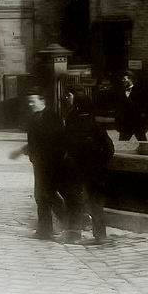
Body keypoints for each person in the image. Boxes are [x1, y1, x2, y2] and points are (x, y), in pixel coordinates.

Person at [9, 91, 67, 240]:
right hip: (40, 164)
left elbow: (58, 141)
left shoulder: (52, 117)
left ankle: (50, 229)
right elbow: (35, 142)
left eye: (32, 101)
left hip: (51, 164)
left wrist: (53, 159)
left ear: (43, 101)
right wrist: (23, 151)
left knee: (44, 196)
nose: (30, 104)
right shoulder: (35, 118)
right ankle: (54, 227)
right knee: (44, 196)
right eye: (29, 101)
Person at [63, 93, 116, 244]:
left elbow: (66, 147)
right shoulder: (95, 126)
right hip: (94, 171)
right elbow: (109, 149)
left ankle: (74, 233)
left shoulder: (71, 124)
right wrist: (100, 162)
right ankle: (100, 235)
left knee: (75, 201)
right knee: (96, 203)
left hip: (76, 171)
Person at [113, 72, 148, 141]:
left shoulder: (140, 91)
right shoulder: (120, 92)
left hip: (137, 122)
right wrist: (117, 122)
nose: (123, 80)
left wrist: (144, 121)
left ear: (133, 80)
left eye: (126, 78)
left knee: (143, 142)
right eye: (123, 79)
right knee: (122, 144)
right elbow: (118, 109)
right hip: (125, 123)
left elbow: (145, 107)